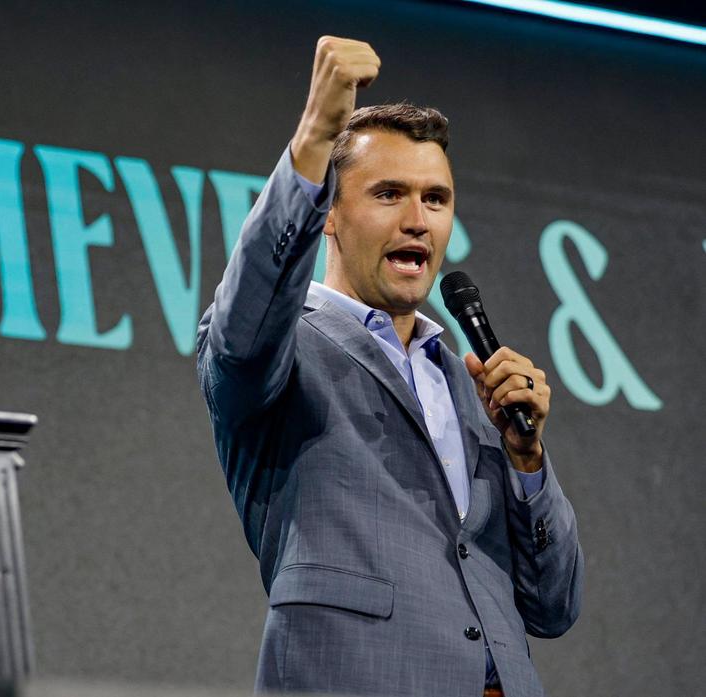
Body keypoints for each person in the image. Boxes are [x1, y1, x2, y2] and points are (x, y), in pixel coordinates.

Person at [196, 36, 583, 696]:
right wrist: (316, 136)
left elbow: (554, 604)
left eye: (435, 199)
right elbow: (243, 332)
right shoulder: (281, 347)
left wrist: (526, 460)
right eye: (388, 193)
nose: (416, 220)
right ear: (329, 214)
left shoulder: (473, 384)